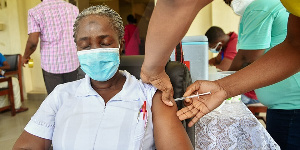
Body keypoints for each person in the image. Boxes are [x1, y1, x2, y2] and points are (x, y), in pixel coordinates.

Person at [13, 5, 193, 150]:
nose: (95, 52)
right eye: (85, 46)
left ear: (120, 45)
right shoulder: (61, 95)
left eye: (105, 43)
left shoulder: (151, 95)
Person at [140, 0, 299, 147]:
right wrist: (222, 88)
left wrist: (153, 69)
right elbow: (295, 47)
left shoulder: (261, 6)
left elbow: (178, 3)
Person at [22, 0, 80, 94]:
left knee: (55, 101)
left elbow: (33, 42)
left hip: (51, 64)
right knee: (74, 99)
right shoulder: (73, 9)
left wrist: (25, 56)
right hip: (72, 61)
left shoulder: (35, 12)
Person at [206, 26, 259, 105]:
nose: (211, 49)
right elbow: (216, 60)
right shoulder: (226, 44)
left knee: (220, 102)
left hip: (249, 94)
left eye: (212, 47)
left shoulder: (234, 44)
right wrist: (204, 64)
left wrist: (208, 69)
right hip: (241, 87)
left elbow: (224, 69)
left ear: (220, 43)